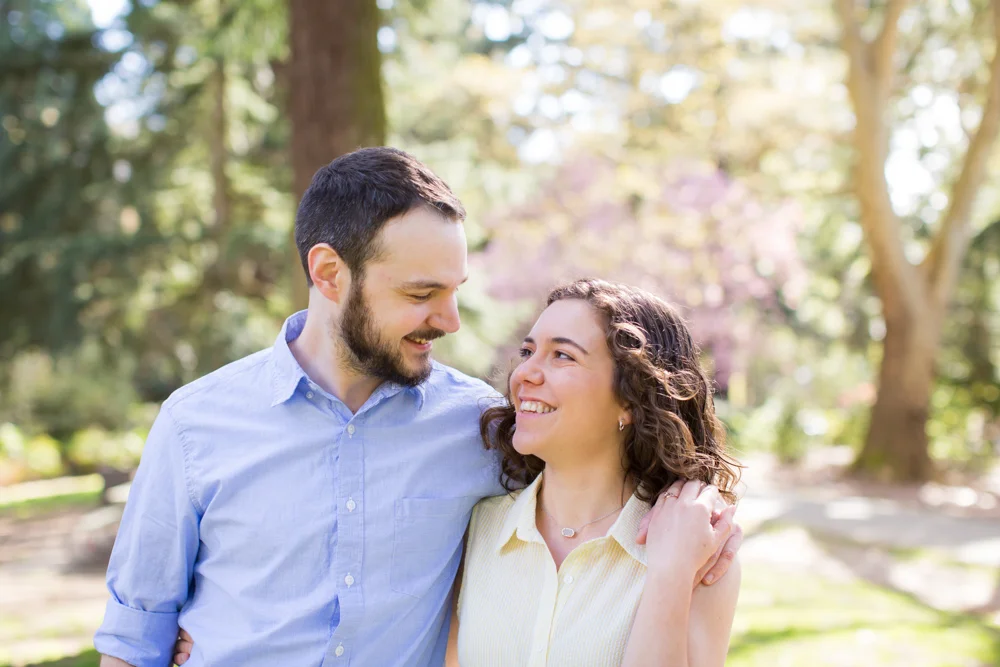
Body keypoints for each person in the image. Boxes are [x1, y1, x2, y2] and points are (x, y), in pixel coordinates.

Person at [95, 147, 742, 667]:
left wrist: (696, 510)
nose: (451, 320)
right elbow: (134, 636)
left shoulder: (482, 430)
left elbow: (597, 461)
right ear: (328, 273)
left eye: (455, 290)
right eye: (422, 292)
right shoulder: (195, 423)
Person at [448, 279, 741, 666]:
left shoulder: (698, 550)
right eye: (528, 351)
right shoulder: (476, 529)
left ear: (631, 399)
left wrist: (670, 575)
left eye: (562, 356)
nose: (523, 375)